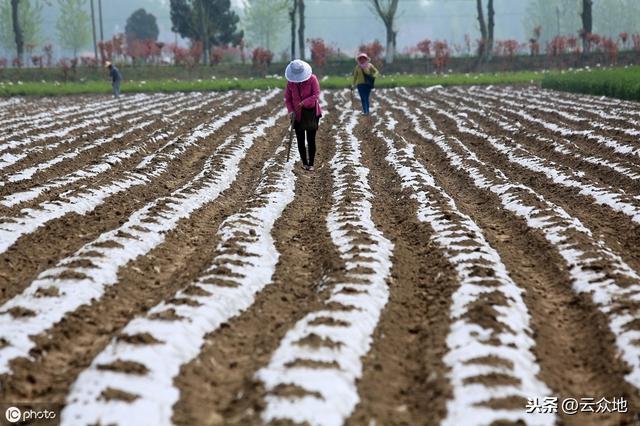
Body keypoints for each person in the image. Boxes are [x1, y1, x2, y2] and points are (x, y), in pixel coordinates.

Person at [284, 59, 322, 171]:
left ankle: (311, 163)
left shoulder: (312, 79)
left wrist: (304, 102)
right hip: (297, 114)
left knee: (311, 139)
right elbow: (288, 99)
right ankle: (304, 163)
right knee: (300, 139)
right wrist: (290, 111)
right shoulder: (291, 83)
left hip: (311, 113)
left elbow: (316, 95)